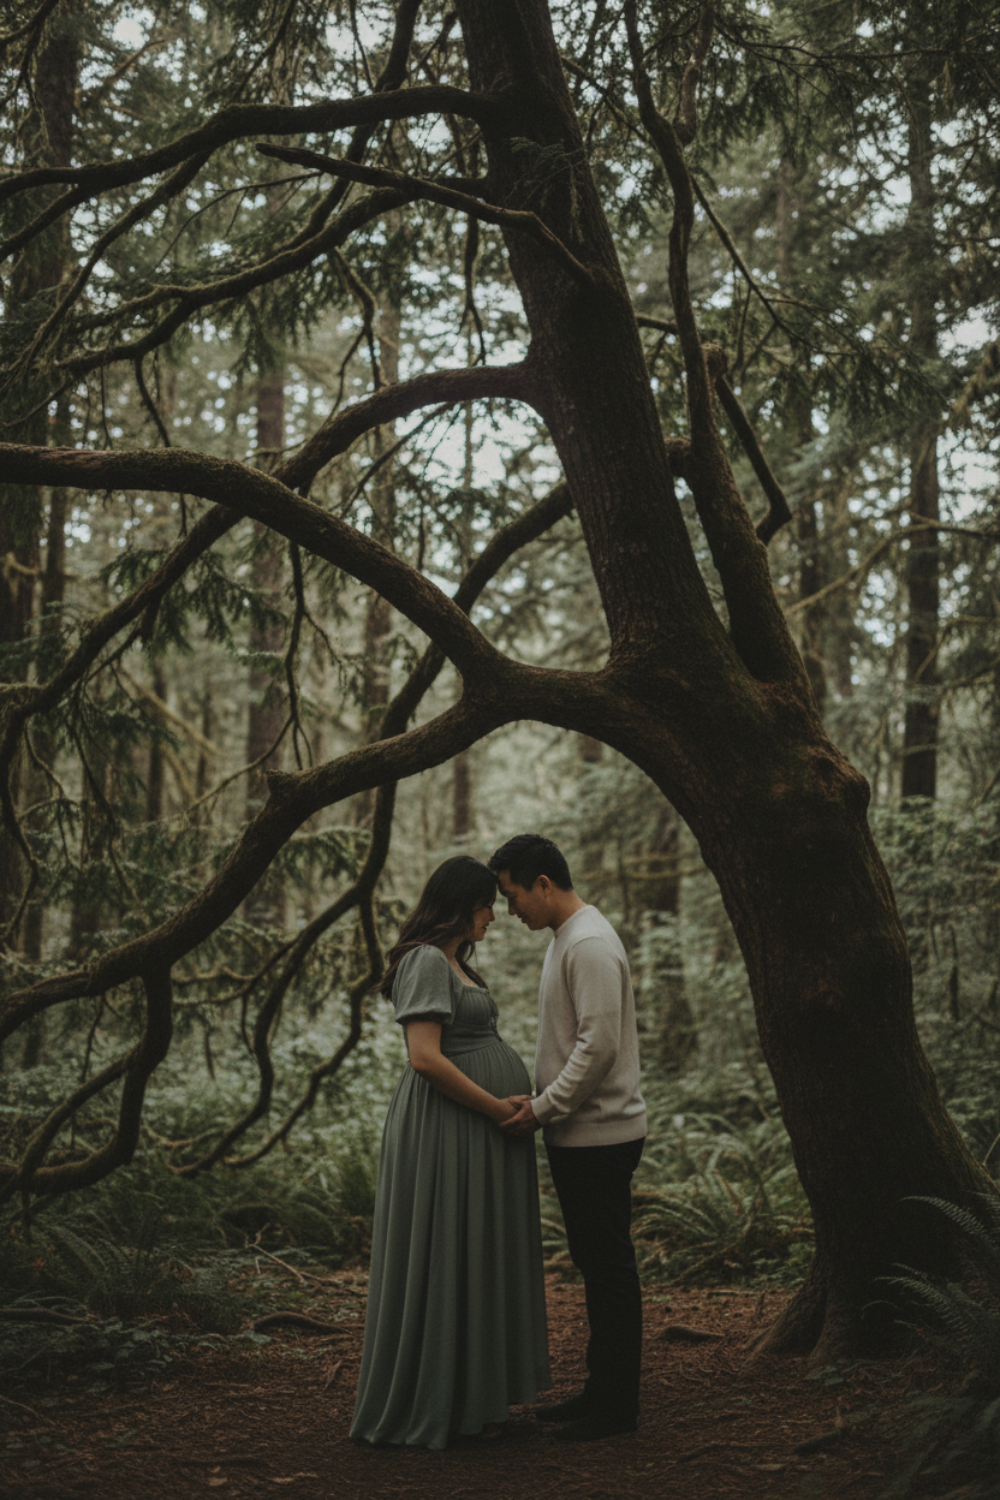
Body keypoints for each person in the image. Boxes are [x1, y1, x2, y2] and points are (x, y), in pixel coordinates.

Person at [350, 854, 551, 1450]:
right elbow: (425, 1057)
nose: (499, 914)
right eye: (491, 902)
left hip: (476, 1132)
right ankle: (438, 1399)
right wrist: (496, 1108)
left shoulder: (453, 963)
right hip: (448, 1128)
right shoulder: (423, 961)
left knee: (476, 1252)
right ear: (463, 905)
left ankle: (476, 1397)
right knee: (447, 1251)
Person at [489, 834, 646, 1443]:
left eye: (513, 895)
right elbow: (575, 1041)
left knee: (608, 1268)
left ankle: (616, 1409)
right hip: (579, 1130)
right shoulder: (567, 939)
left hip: (600, 1134)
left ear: (544, 886)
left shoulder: (588, 944)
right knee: (596, 1263)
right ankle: (600, 1392)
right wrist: (547, 1102)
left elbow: (599, 1046)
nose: (510, 910)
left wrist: (544, 1108)